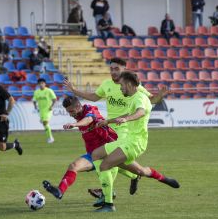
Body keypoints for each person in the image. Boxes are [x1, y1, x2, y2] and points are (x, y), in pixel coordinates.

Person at [64, 57, 168, 203]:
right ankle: (133, 176)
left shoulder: (133, 87)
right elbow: (94, 97)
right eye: (111, 69)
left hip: (125, 129)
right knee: (108, 160)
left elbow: (150, 101)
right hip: (109, 128)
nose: (113, 72)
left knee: (106, 160)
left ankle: (107, 195)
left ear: (124, 70)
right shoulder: (107, 85)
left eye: (116, 69)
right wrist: (75, 90)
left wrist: (160, 96)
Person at [91, 71, 180, 212]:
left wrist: (126, 119)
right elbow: (128, 113)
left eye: (121, 85)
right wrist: (107, 121)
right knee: (96, 154)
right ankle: (161, 178)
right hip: (127, 140)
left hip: (135, 142)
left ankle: (108, 204)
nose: (120, 88)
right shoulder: (134, 97)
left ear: (129, 84)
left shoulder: (139, 97)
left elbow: (140, 112)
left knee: (105, 165)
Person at [42, 96, 118, 200]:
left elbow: (88, 120)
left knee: (137, 171)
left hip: (109, 149)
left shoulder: (91, 110)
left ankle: (131, 179)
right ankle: (60, 191)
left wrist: (74, 124)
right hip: (93, 154)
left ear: (78, 106)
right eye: (68, 112)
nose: (70, 114)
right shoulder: (77, 115)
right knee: (73, 166)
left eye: (72, 111)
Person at [33, 78, 57, 143]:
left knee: (45, 122)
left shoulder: (49, 91)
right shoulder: (36, 92)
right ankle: (49, 137)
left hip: (48, 110)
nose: (41, 84)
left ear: (45, 84)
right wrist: (35, 106)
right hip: (41, 111)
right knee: (45, 124)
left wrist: (51, 106)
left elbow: (54, 99)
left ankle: (50, 138)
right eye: (40, 83)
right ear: (38, 84)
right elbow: (34, 100)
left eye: (42, 83)